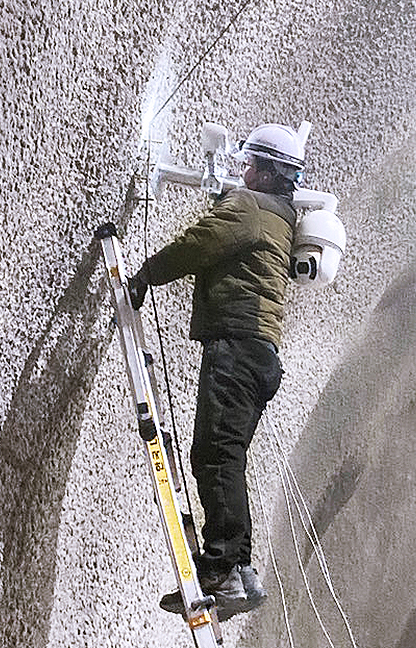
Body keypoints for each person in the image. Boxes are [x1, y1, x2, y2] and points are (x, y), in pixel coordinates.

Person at [126, 123, 306, 618]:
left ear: (267, 173)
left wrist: (147, 274)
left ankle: (223, 570)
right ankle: (239, 571)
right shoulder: (282, 218)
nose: (243, 173)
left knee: (214, 456)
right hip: (259, 355)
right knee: (227, 456)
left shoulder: (250, 207)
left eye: (250, 165)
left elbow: (201, 243)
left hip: (236, 348)